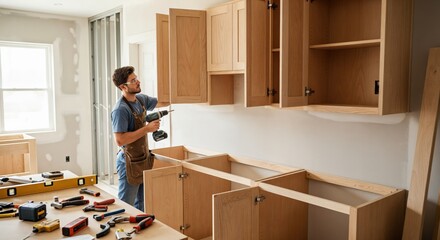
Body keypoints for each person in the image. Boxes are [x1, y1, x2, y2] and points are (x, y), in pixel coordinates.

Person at [111, 66, 160, 211]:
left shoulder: (141, 100)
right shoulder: (120, 110)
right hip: (129, 162)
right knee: (126, 207)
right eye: (133, 81)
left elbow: (161, 101)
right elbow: (120, 140)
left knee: (142, 205)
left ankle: (138, 232)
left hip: (142, 159)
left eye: (136, 78)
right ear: (123, 87)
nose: (138, 82)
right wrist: (147, 129)